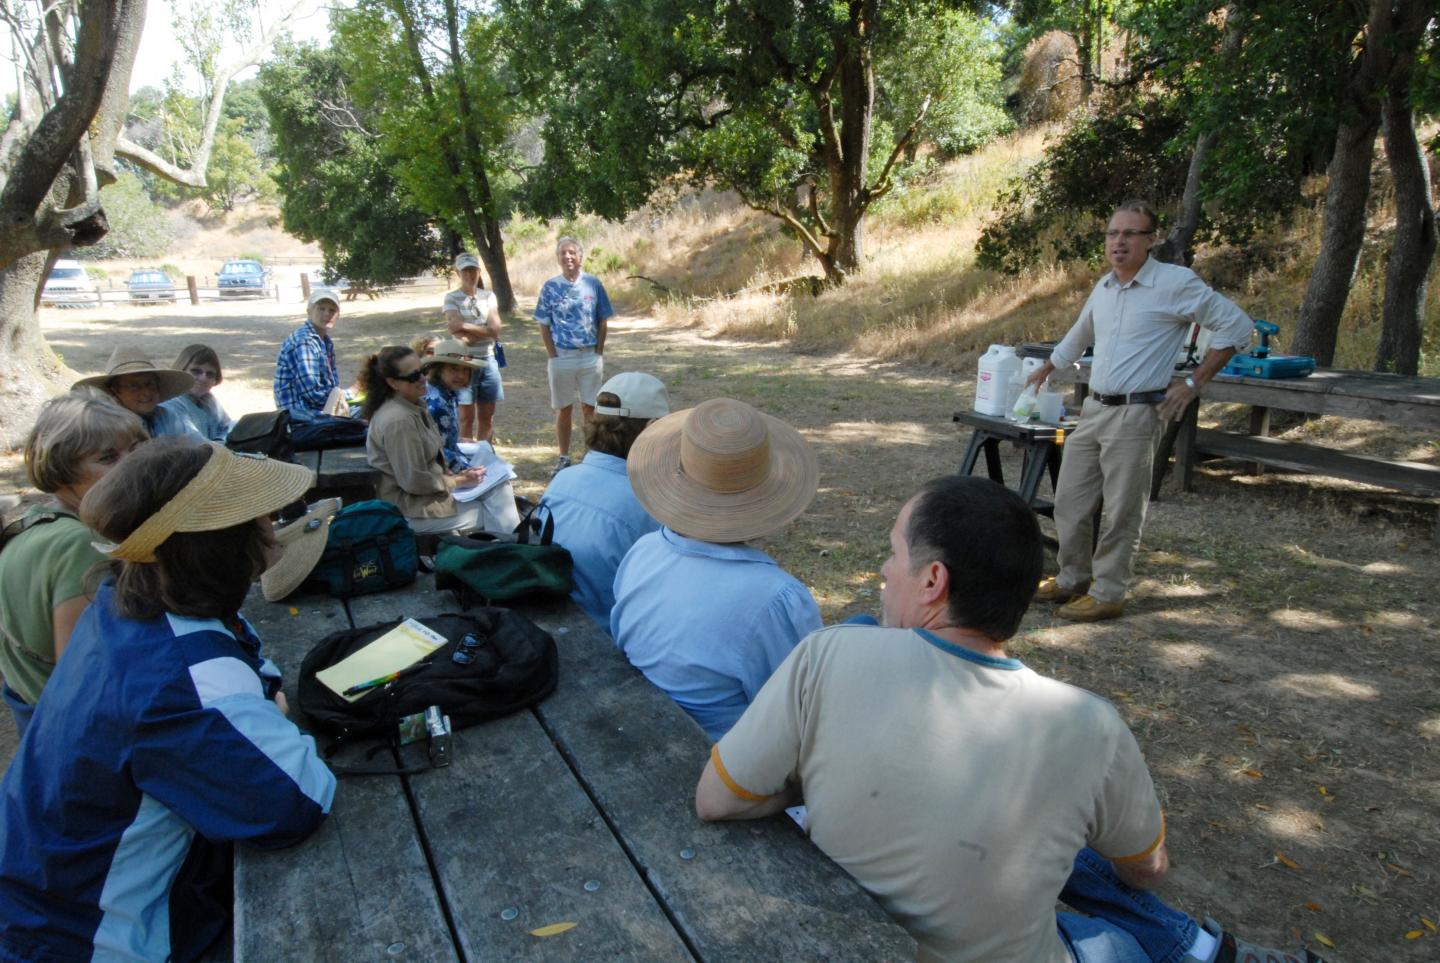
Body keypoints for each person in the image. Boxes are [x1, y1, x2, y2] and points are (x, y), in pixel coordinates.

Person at [694, 475, 1326, 963]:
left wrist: (813, 776)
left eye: (893, 554)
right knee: (1107, 916)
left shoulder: (829, 654)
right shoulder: (1091, 726)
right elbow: (1147, 870)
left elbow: (716, 800)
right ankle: (1196, 948)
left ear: (933, 580)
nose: (885, 572)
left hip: (848, 934)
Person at [0, 440, 336, 962]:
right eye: (258, 515)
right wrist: (272, 715)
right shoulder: (184, 689)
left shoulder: (123, 601)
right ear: (223, 543)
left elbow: (247, 657)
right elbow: (296, 802)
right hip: (87, 939)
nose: (271, 524)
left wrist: (264, 704)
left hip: (38, 896)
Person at [1024, 200, 1253, 622]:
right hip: (1093, 408)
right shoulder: (1106, 287)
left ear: (1150, 240)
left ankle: (1109, 591)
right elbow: (1082, 331)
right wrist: (1049, 365)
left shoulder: (1174, 283)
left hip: (1137, 413)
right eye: (1113, 233)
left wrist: (1192, 382)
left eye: (1130, 234)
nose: (1119, 241)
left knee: (1121, 508)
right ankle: (1073, 578)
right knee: (1070, 501)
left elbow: (1238, 328)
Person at [610, 397, 821, 739]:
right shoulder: (776, 598)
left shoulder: (645, 550)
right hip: (722, 764)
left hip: (642, 728)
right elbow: (799, 714)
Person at [0, 394, 146, 737]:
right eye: (109, 457)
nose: (132, 464)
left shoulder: (37, 522)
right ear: (63, 472)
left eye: (136, 449)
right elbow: (82, 678)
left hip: (34, 711)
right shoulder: (82, 545)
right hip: (67, 733)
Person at [541, 371, 671, 632]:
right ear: (651, 429)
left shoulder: (563, 479)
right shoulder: (648, 505)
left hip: (552, 615)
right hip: (608, 632)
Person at [362, 345, 519, 535]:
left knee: (500, 488)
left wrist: (459, 477)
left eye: (422, 371)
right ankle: (514, 554)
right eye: (413, 376)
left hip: (423, 498)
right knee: (498, 513)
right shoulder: (400, 420)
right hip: (409, 508)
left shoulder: (411, 406)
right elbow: (414, 481)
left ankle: (511, 551)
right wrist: (459, 480)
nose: (422, 379)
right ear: (393, 383)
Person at [534, 236, 614, 476]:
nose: (568, 257)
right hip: (562, 357)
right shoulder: (550, 286)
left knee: (591, 408)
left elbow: (603, 320)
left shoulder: (593, 284)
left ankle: (591, 456)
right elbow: (544, 324)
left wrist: (598, 351)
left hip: (589, 356)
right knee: (564, 409)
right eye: (563, 253)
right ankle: (564, 456)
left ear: (580, 256)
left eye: (572, 253)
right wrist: (553, 355)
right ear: (558, 258)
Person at [73, 345, 206, 441]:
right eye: (134, 386)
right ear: (115, 391)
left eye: (150, 384)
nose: (146, 392)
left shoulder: (167, 416)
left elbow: (202, 447)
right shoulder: (105, 428)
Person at [443, 253, 503, 443]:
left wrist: (465, 326)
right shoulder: (451, 298)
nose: (469, 274)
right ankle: (466, 458)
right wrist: (484, 330)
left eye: (472, 270)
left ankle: (485, 454)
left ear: (478, 271)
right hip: (463, 363)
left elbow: (495, 329)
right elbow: (455, 330)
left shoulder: (488, 296)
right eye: (465, 271)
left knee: (487, 417)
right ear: (458, 273)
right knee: (465, 417)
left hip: (488, 360)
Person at [274, 286, 349, 423]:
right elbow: (313, 394)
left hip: (314, 412)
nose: (327, 314)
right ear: (309, 311)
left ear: (338, 315)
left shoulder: (324, 341)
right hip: (302, 418)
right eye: (321, 308)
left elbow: (331, 387)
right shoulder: (305, 341)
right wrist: (350, 394)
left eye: (332, 310)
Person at [160, 343, 235, 442]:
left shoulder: (208, 399)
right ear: (181, 371)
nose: (203, 378)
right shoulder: (171, 405)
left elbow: (228, 427)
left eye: (210, 374)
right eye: (196, 371)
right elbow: (196, 443)